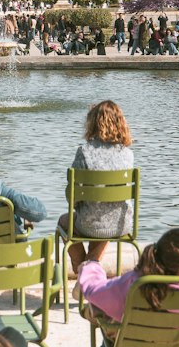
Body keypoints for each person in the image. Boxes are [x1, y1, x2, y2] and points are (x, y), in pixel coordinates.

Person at [57, 101, 134, 288]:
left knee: (64, 221)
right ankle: (91, 271)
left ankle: (83, 272)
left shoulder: (84, 152)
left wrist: (78, 205)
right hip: (121, 223)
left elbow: (72, 196)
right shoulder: (128, 154)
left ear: (93, 123)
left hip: (90, 223)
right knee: (107, 216)